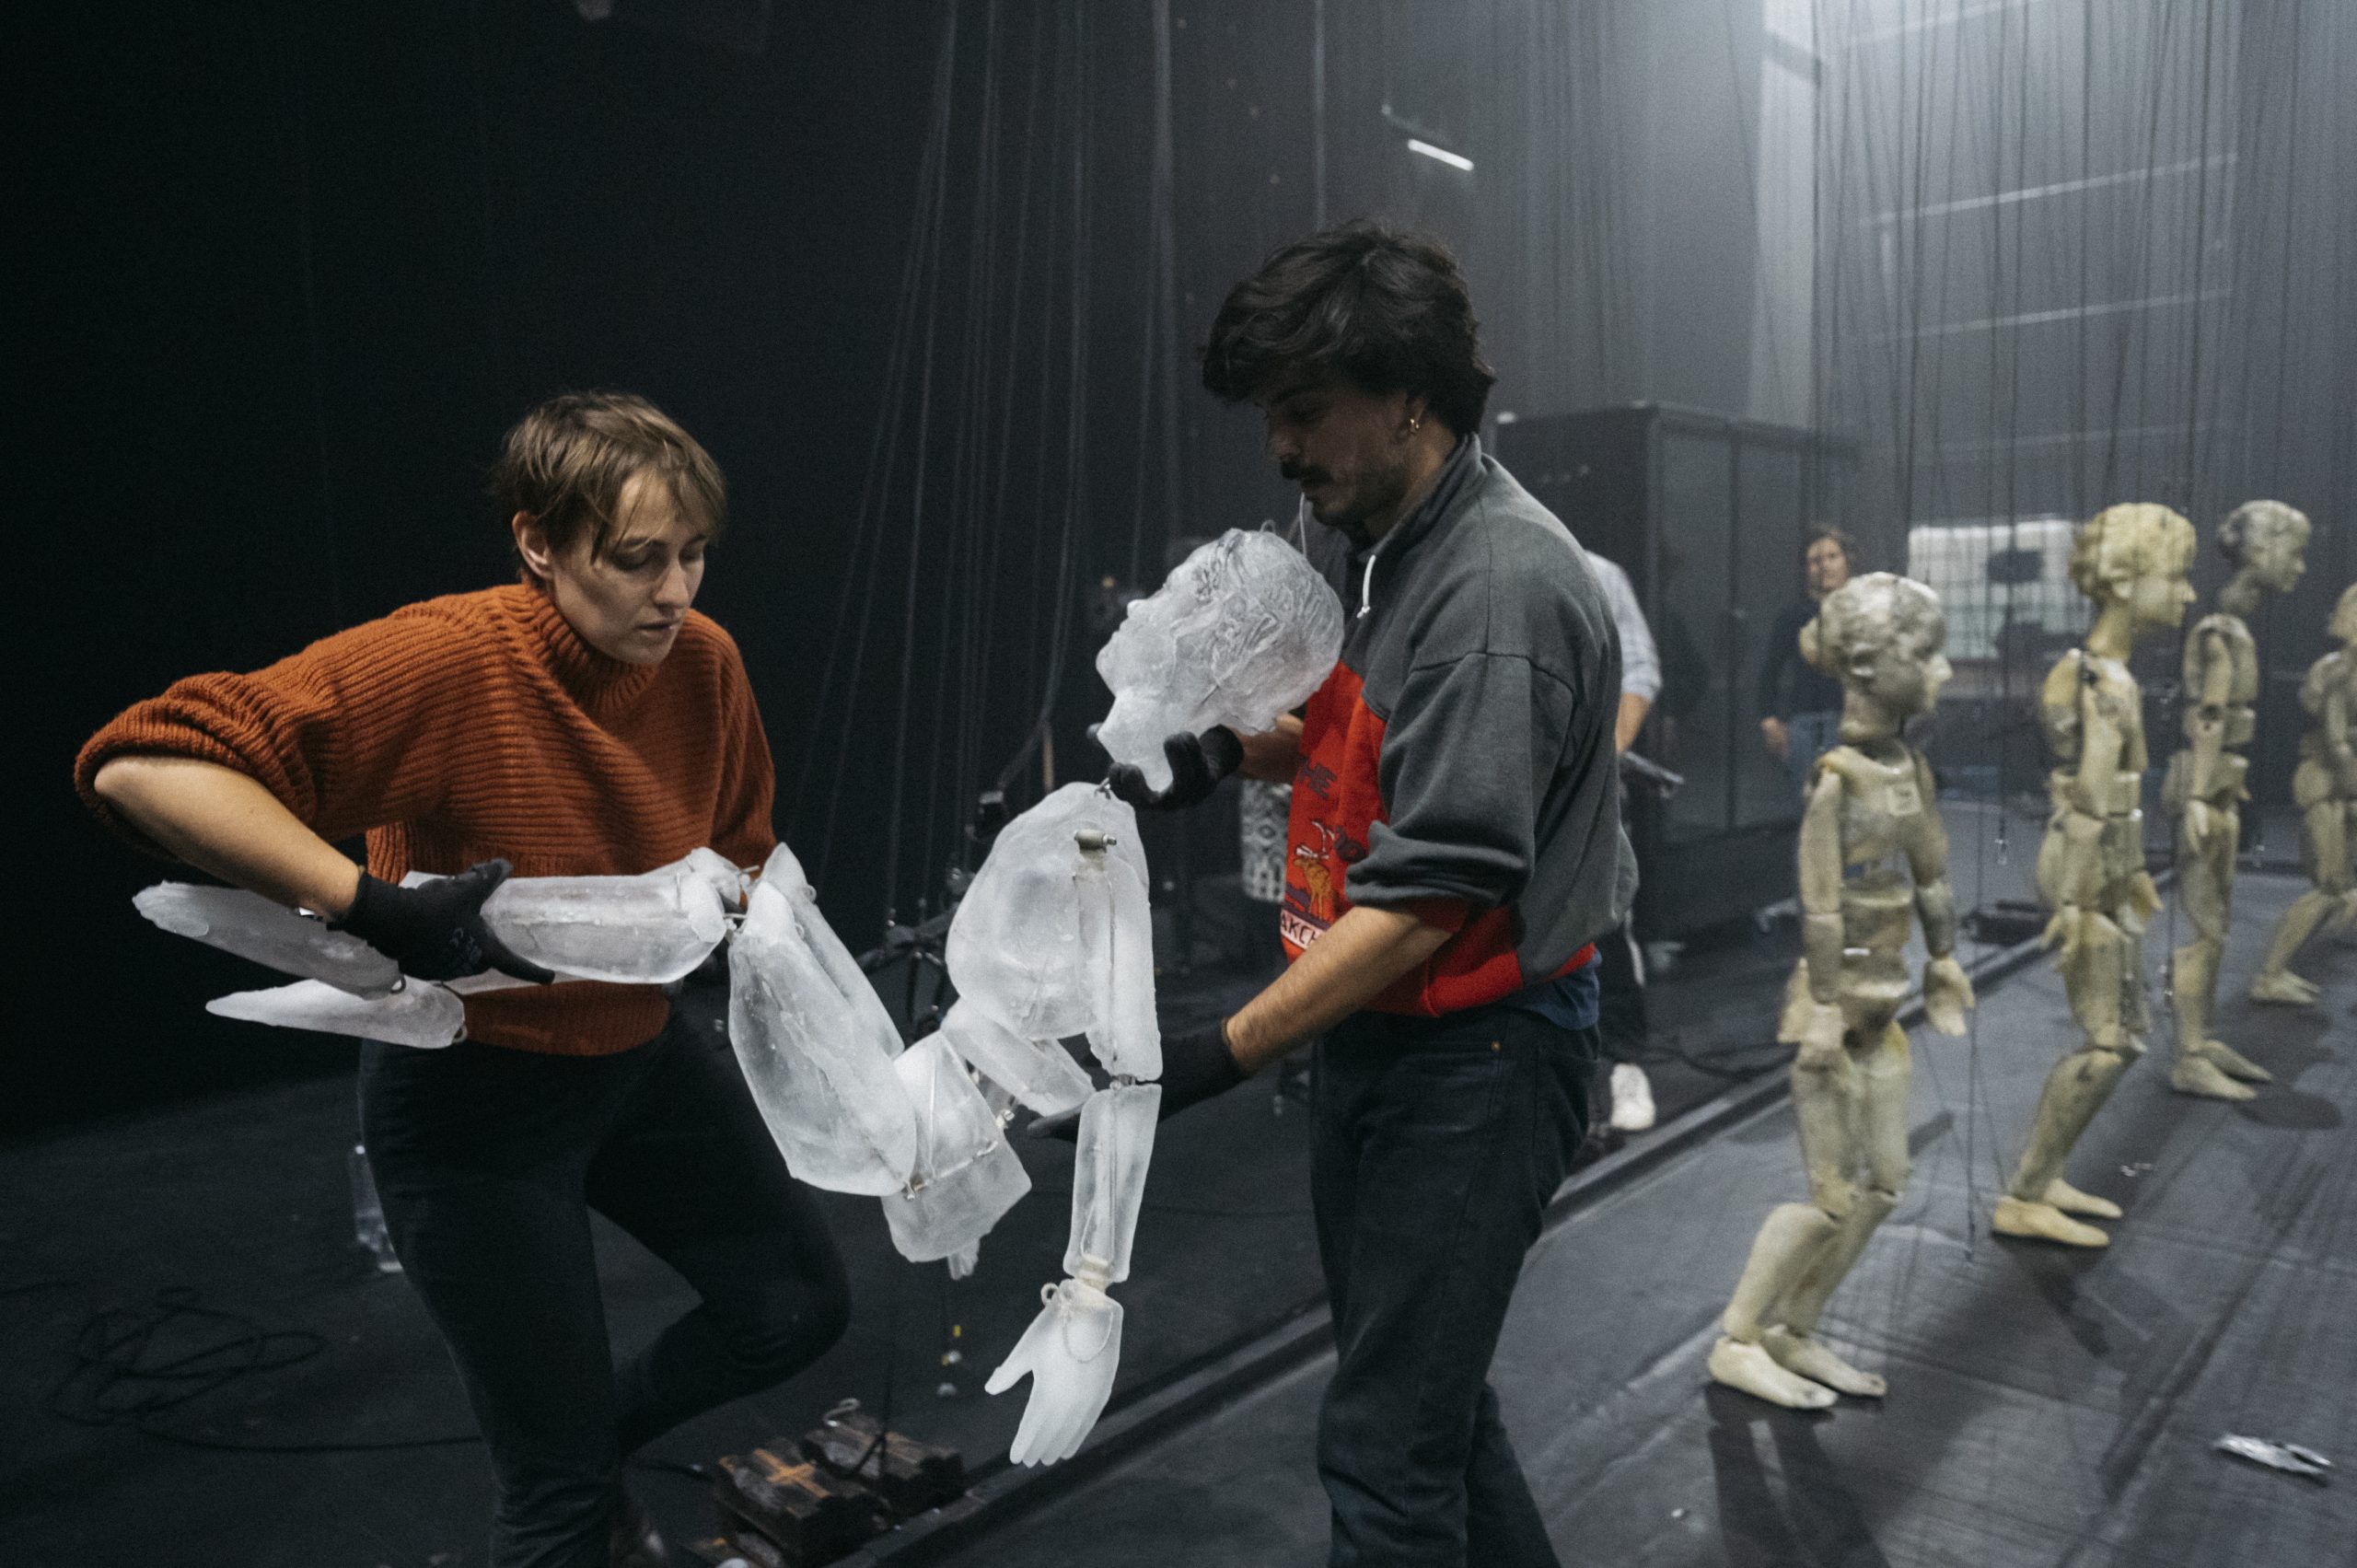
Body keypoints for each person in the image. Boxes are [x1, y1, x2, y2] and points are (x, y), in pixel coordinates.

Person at [76, 392, 851, 1568]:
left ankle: (582, 1451)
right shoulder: (450, 658)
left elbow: (738, 851)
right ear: (539, 542)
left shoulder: (705, 662)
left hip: (635, 1053)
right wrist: (370, 904)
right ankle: (571, 1476)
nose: (675, 591)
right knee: (555, 1503)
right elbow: (141, 766)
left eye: (694, 554)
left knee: (792, 1305)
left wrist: (789, 970)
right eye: (638, 558)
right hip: (472, 1101)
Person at [1106, 221, 1634, 1568]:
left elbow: (1428, 897)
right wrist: (1223, 752)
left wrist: (1212, 1052)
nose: (1281, 446)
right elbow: (1353, 732)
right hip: (1388, 1036)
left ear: (1409, 396)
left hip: (1482, 1057)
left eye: (1304, 409)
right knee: (1427, 1412)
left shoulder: (1494, 588)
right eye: (1269, 415)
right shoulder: (1371, 535)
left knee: (1386, 1454)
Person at [1585, 550, 1661, 1132]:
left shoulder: (1597, 572)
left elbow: (1637, 666)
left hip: (1584, 787)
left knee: (1606, 921)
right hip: (1494, 786)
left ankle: (1624, 1064)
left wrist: (1606, 752)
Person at [1759, 528, 1857, 802]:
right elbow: (1769, 672)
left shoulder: (1864, 611)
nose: (1824, 566)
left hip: (1853, 725)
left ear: (1846, 562)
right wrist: (1769, 722)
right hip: (1804, 729)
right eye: (1815, 560)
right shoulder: (1792, 617)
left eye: (1832, 556)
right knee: (1809, 812)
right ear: (1805, 570)